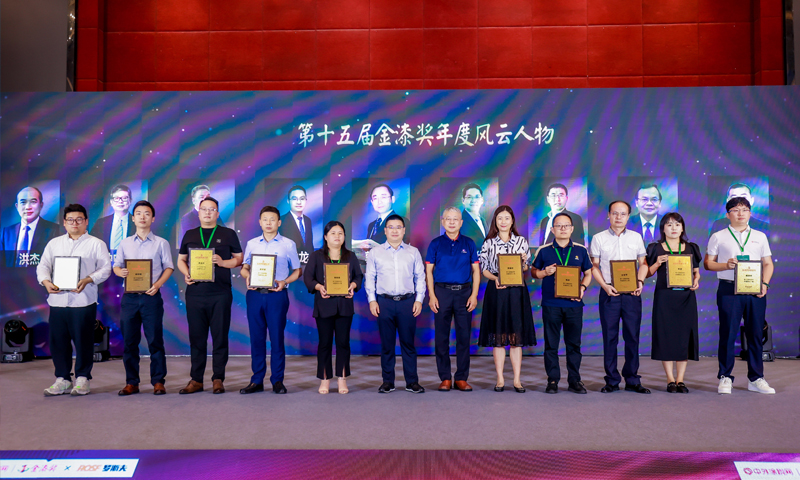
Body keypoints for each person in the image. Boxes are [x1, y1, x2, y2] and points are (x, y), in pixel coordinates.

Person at [37, 204, 112, 396]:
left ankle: (82, 378)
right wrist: (46, 281)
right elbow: (43, 266)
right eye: (70, 219)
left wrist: (88, 279)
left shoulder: (96, 244)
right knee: (58, 341)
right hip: (58, 301)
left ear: (86, 221)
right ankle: (62, 379)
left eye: (79, 219)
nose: (75, 223)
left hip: (83, 301)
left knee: (83, 341)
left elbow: (106, 269)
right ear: (64, 223)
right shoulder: (54, 244)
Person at [705, 197, 775, 394]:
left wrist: (765, 284)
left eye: (744, 209)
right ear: (728, 214)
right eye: (736, 210)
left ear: (750, 213)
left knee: (755, 334)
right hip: (729, 289)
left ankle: (756, 378)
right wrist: (725, 265)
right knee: (727, 333)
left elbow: (768, 264)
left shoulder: (760, 236)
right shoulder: (718, 236)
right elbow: (708, 263)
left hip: (755, 290)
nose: (741, 213)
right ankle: (725, 377)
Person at [176, 197, 243, 395]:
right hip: (195, 294)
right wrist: (186, 273)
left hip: (220, 293)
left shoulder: (228, 234)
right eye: (204, 209)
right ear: (198, 212)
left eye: (212, 209)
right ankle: (196, 379)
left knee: (220, 337)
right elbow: (181, 260)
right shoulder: (189, 234)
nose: (207, 212)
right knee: (197, 338)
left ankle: (218, 378)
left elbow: (239, 259)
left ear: (217, 213)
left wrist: (223, 263)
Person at [113, 200, 174, 396]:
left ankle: (158, 381)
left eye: (147, 213)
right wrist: (120, 271)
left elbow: (169, 267)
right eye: (138, 213)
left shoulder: (161, 243)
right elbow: (116, 265)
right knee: (130, 342)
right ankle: (132, 382)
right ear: (133, 218)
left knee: (155, 340)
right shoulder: (125, 243)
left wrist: (157, 285)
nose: (142, 217)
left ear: (153, 218)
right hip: (130, 298)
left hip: (151, 297)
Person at [239, 206, 302, 395]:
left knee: (276, 338)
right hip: (255, 295)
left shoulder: (288, 244)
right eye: (265, 219)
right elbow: (245, 267)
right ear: (260, 222)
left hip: (277, 295)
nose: (268, 223)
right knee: (257, 339)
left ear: (279, 222)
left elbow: (297, 271)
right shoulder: (252, 243)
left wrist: (284, 282)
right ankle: (256, 380)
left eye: (272, 219)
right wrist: (246, 276)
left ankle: (277, 380)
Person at [590, 200, 650, 394]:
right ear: (608, 215)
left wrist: (640, 282)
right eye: (615, 213)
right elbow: (594, 266)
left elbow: (643, 263)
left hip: (632, 293)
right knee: (610, 337)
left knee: (632, 336)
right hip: (609, 293)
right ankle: (612, 380)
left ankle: (632, 379)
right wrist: (605, 286)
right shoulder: (598, 238)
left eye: (623, 213)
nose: (618, 217)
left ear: (628, 216)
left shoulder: (636, 237)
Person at [532, 212, 592, 394]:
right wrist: (544, 272)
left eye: (566, 225)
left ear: (572, 229)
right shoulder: (544, 250)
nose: (563, 228)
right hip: (551, 304)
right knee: (551, 344)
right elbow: (534, 271)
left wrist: (582, 288)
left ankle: (574, 380)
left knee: (574, 345)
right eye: (559, 225)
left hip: (574, 305)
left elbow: (588, 273)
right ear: (552, 229)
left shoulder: (581, 250)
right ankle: (552, 380)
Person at [365, 215, 427, 394]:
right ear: (385, 231)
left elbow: (420, 277)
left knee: (408, 344)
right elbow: (370, 277)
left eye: (398, 227)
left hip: (407, 302)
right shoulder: (375, 252)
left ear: (403, 230)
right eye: (390, 227)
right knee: (387, 345)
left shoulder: (413, 252)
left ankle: (412, 382)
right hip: (384, 302)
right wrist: (372, 300)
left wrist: (419, 300)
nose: (394, 231)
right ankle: (388, 382)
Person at [477, 206, 536, 393]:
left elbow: (525, 268)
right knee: (499, 337)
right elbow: (484, 269)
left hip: (517, 291)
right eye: (499, 218)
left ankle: (517, 380)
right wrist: (495, 278)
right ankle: (500, 379)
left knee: (516, 337)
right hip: (497, 290)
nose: (503, 222)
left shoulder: (521, 241)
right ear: (495, 221)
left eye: (507, 218)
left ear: (512, 221)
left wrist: (524, 262)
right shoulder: (488, 243)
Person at [303, 221, 363, 394]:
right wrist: (319, 287)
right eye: (333, 233)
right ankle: (325, 379)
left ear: (344, 236)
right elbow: (308, 278)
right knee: (325, 343)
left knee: (343, 343)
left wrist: (353, 285)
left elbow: (358, 277)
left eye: (340, 233)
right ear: (325, 237)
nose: (337, 236)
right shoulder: (316, 256)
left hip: (344, 306)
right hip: (324, 306)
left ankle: (342, 378)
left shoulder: (350, 256)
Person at [645, 213, 701, 393]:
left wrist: (696, 281)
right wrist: (657, 263)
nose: (673, 228)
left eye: (677, 224)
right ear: (663, 228)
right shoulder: (655, 248)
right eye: (669, 225)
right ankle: (670, 379)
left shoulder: (691, 248)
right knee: (666, 337)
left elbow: (696, 272)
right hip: (664, 298)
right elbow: (647, 273)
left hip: (686, 298)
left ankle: (681, 380)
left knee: (684, 337)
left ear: (682, 227)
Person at [425, 207, 480, 392]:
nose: (451, 222)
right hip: (442, 293)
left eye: (455, 219)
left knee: (464, 337)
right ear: (443, 221)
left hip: (464, 294)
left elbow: (476, 271)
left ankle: (461, 378)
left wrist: (474, 295)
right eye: (448, 219)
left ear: (461, 222)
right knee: (442, 337)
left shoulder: (469, 243)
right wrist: (432, 295)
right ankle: (445, 378)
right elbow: (429, 271)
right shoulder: (435, 244)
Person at [2, 186, 60, 267]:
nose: (28, 207)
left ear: (41, 205)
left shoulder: (55, 230)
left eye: (33, 202)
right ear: (17, 206)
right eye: (23, 202)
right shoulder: (7, 232)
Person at [89, 185, 136, 264]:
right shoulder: (101, 223)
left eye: (124, 198)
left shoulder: (137, 223)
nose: (120, 201)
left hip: (131, 267)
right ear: (111, 202)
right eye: (116, 198)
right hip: (105, 267)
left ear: (130, 201)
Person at [279, 185, 315, 262]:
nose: (299, 202)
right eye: (294, 199)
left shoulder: (308, 220)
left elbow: (309, 246)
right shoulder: (281, 221)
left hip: (307, 265)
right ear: (288, 201)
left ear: (306, 200)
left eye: (302, 199)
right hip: (288, 265)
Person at [459, 183, 488, 251]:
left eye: (477, 197)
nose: (473, 200)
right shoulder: (458, 222)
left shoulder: (483, 221)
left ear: (482, 200)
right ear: (463, 200)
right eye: (469, 197)